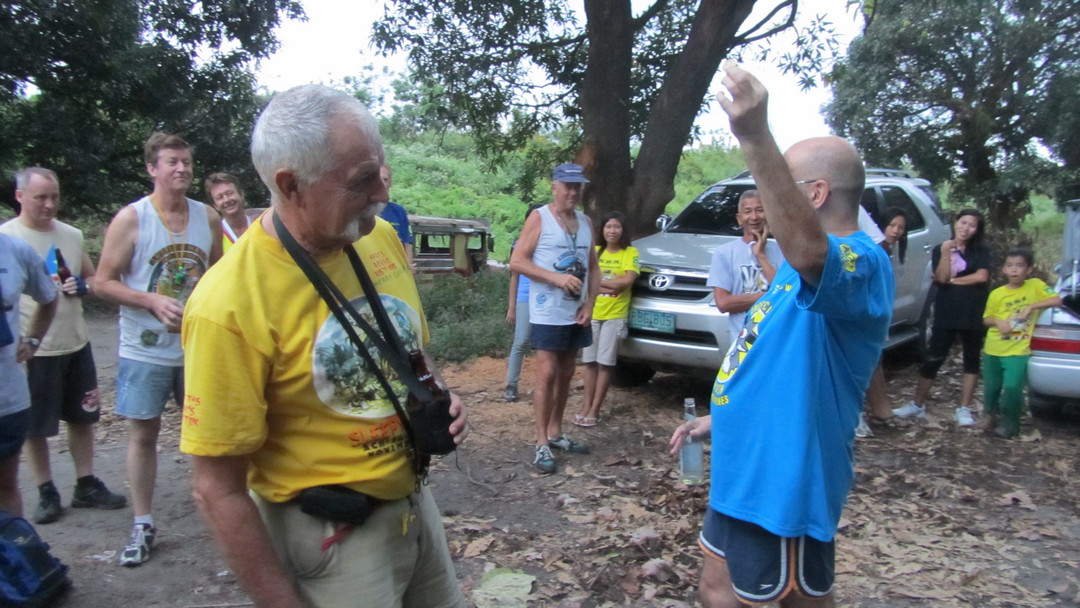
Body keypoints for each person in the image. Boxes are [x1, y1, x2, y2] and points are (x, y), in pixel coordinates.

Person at [179, 84, 469, 608]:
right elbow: (216, 490)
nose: (382, 194)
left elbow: (411, 349)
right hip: (334, 539)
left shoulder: (376, 236)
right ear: (291, 185)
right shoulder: (228, 305)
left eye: (380, 171)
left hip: (414, 506)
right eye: (361, 180)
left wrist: (437, 394)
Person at [670, 62, 893, 607]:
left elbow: (814, 251)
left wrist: (754, 136)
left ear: (814, 194)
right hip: (743, 469)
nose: (766, 196)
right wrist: (719, 419)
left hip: (784, 484)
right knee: (717, 590)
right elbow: (775, 357)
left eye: (781, 183)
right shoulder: (791, 267)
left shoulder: (861, 262)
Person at [95, 132, 222, 566]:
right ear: (152, 168)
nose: (182, 169)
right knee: (143, 434)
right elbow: (102, 282)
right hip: (144, 347)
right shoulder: (132, 219)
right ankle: (143, 522)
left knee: (209, 435)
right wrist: (150, 300)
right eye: (172, 162)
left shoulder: (207, 217)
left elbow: (220, 274)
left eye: (186, 161)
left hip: (196, 347)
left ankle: (222, 512)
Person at [0, 168, 126, 525]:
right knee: (35, 426)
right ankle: (45, 489)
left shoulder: (71, 235)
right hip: (35, 350)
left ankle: (85, 483)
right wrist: (30, 340)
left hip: (76, 340)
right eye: (41, 197)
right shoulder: (7, 238)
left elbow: (92, 277)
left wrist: (83, 286)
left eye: (54, 197)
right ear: (20, 196)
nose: (49, 204)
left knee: (83, 416)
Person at [510, 163, 600, 474]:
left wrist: (590, 303)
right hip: (547, 309)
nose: (573, 192)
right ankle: (540, 443)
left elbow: (594, 267)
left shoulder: (586, 222)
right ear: (554, 187)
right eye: (567, 186)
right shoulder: (540, 218)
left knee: (567, 372)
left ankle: (556, 432)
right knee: (547, 372)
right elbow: (517, 261)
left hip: (576, 310)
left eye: (578, 187)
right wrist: (556, 278)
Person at [893, 208, 990, 426]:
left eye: (972, 225)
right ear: (956, 222)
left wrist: (954, 281)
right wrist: (947, 251)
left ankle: (964, 408)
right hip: (947, 310)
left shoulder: (981, 250)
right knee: (934, 357)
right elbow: (941, 277)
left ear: (977, 229)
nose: (966, 228)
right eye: (963, 222)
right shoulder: (941, 248)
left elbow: (981, 276)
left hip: (973, 310)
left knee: (971, 359)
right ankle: (917, 404)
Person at [0, 232, 57, 517]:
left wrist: (33, 340)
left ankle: (13, 545)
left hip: (7, 399)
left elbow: (49, 297)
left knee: (5, 486)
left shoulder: (14, 250)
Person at [981, 248, 1060, 438]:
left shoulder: (1035, 286)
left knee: (1012, 386)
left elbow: (1057, 300)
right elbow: (986, 319)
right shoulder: (997, 293)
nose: (1014, 270)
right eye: (1009, 265)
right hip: (993, 347)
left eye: (1020, 266)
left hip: (1018, 349)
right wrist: (998, 322)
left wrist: (1032, 306)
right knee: (992, 386)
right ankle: (988, 417)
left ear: (1029, 269)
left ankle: (1010, 424)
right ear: (1004, 269)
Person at [573, 211, 638, 427]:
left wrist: (599, 284)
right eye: (608, 226)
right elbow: (585, 280)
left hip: (615, 315)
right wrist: (610, 284)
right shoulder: (596, 251)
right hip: (593, 313)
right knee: (590, 363)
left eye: (617, 226)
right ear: (602, 230)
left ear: (623, 230)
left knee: (605, 364)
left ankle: (595, 410)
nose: (612, 231)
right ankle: (585, 407)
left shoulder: (630, 253)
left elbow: (626, 282)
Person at [707, 189, 785, 346]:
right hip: (743, 344)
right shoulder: (724, 253)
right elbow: (723, 303)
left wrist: (761, 256)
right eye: (748, 211)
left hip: (776, 340)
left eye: (760, 210)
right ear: (739, 219)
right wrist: (771, 296)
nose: (754, 217)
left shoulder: (782, 251)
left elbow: (786, 296)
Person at [858, 207, 909, 437]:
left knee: (874, 358)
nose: (896, 231)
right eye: (892, 225)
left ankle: (881, 410)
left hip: (878, 310)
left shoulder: (886, 252)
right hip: (864, 310)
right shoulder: (871, 249)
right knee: (861, 360)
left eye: (901, 228)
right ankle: (857, 414)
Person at [504, 204, 542, 403]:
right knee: (520, 341)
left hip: (544, 298)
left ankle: (544, 387)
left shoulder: (550, 243)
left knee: (544, 345)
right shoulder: (519, 244)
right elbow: (514, 277)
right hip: (525, 297)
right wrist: (512, 306)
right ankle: (511, 385)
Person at [204, 172, 251, 254]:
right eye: (220, 197)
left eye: (230, 193)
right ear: (215, 206)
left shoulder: (261, 225)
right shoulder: (215, 238)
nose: (227, 200)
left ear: (241, 194)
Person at [379, 164, 415, 269]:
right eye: (378, 179)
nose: (381, 183)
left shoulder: (399, 212)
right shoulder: (360, 212)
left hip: (395, 271)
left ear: (390, 183)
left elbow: (406, 244)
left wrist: (408, 269)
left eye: (385, 179)